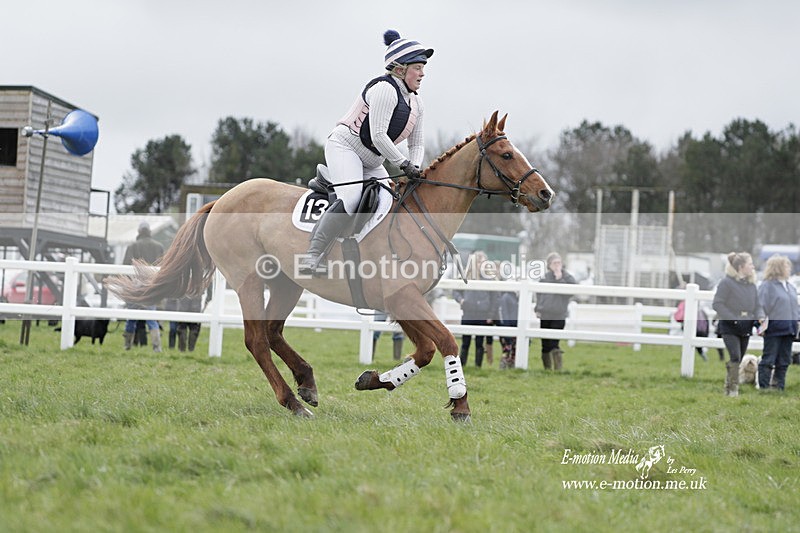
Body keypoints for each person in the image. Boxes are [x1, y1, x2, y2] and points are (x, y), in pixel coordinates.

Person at [298, 29, 432, 275]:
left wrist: (415, 166)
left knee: (390, 201)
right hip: (345, 148)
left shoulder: (417, 103)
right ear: (400, 69)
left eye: (423, 68)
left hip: (371, 159)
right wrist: (403, 164)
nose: (423, 73)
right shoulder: (384, 89)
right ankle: (312, 256)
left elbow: (417, 143)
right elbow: (378, 135)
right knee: (350, 199)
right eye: (417, 67)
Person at [712, 252, 764, 397]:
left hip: (745, 327)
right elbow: (717, 304)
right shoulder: (726, 283)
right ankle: (733, 390)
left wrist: (759, 316)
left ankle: (728, 385)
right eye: (750, 264)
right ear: (741, 266)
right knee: (735, 357)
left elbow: (757, 305)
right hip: (729, 327)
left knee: (739, 358)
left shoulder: (752, 286)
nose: (753, 267)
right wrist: (733, 319)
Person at [757, 254, 799, 391]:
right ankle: (764, 387)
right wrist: (761, 322)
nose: (789, 269)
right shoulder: (767, 286)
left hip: (790, 328)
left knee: (784, 361)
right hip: (774, 329)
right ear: (778, 268)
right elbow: (760, 305)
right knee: (769, 359)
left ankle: (779, 387)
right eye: (786, 266)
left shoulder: (790, 287)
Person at [122, 221, 164, 352]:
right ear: (149, 232)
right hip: (151, 287)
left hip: (135, 286)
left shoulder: (133, 246)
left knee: (131, 318)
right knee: (151, 317)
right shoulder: (159, 246)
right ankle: (157, 347)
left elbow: (125, 267)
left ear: (139, 232)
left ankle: (127, 345)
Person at [453, 252, 496, 368]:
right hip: (468, 312)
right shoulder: (465, 276)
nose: (481, 264)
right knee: (465, 342)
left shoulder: (490, 279)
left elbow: (494, 298)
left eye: (483, 262)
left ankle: (478, 366)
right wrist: (461, 300)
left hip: (483, 314)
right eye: (478, 262)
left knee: (479, 343)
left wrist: (491, 315)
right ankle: (462, 365)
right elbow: (455, 291)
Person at [535, 252, 576, 370]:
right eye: (554, 263)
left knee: (554, 342)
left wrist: (559, 279)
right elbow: (539, 295)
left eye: (559, 262)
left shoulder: (567, 277)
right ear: (549, 265)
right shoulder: (544, 278)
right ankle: (547, 368)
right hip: (546, 313)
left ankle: (558, 368)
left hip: (559, 314)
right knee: (545, 343)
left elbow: (571, 292)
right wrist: (538, 308)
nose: (557, 265)